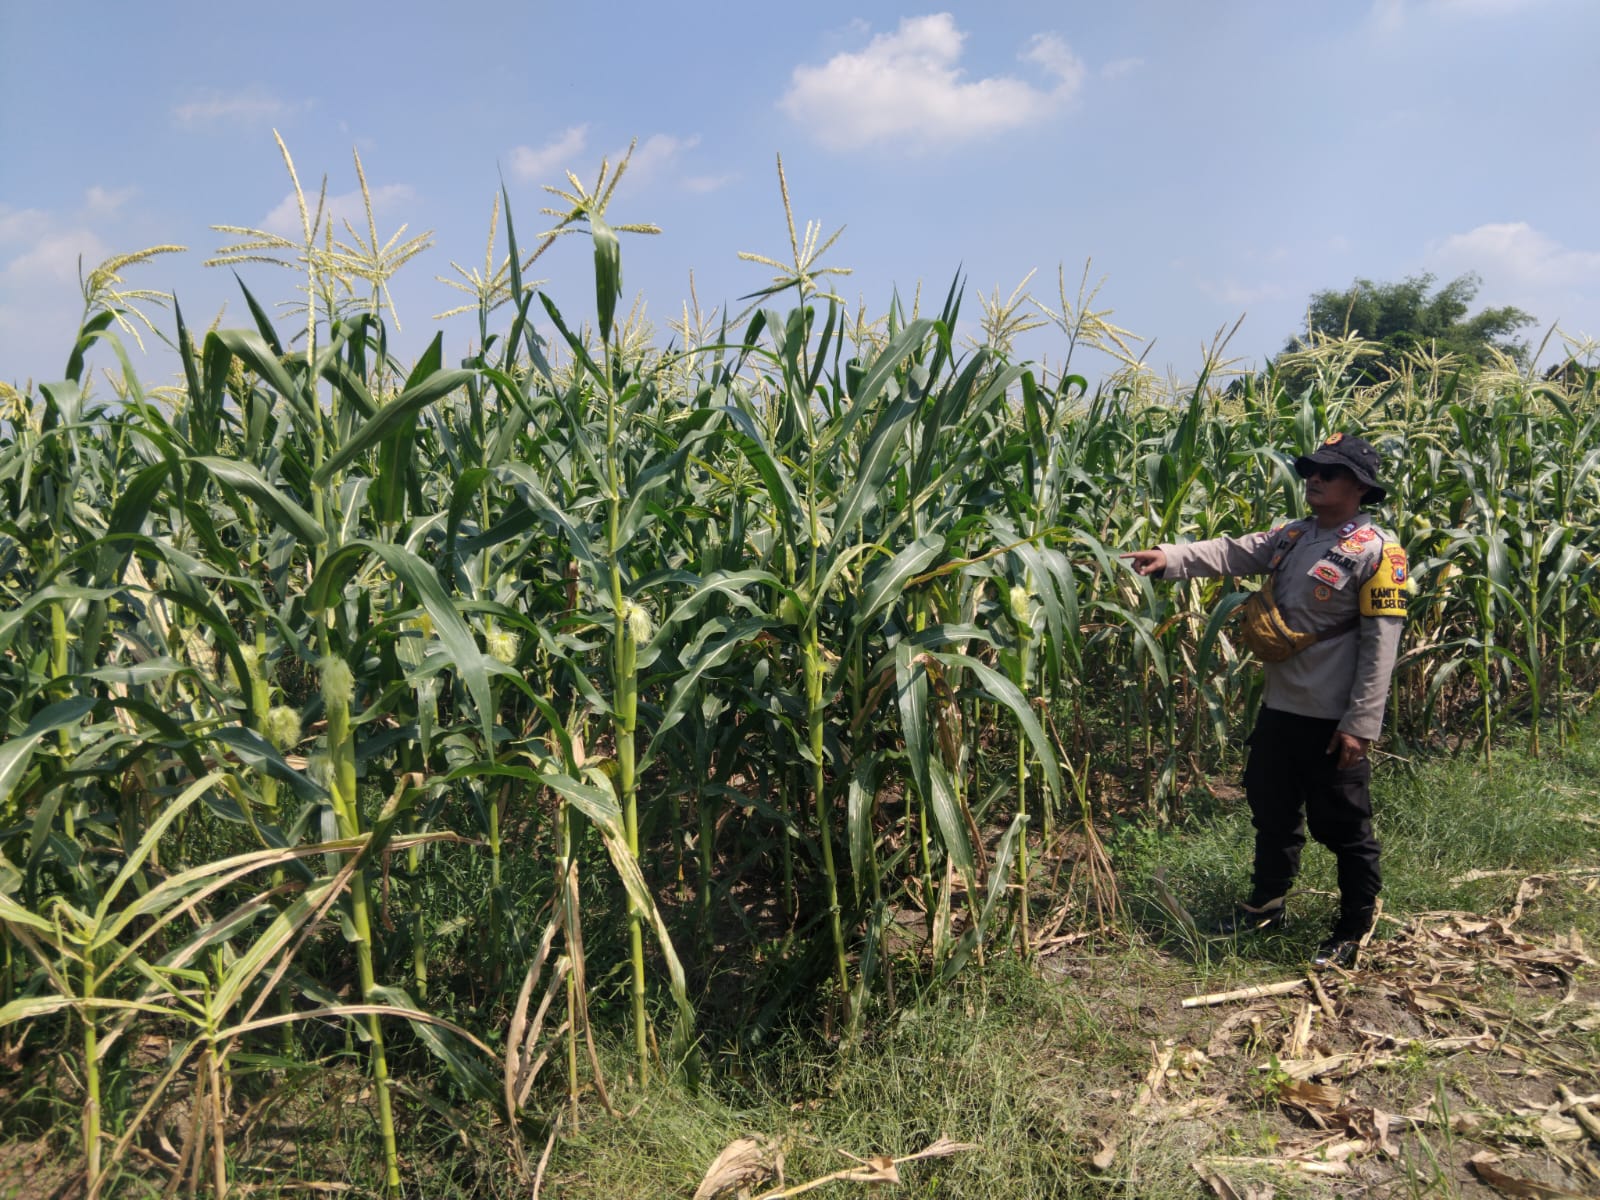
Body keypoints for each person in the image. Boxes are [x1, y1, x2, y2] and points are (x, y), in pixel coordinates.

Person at [1122, 433, 1408, 968]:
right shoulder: (1294, 536)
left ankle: (1354, 928)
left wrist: (1361, 723)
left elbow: (1381, 646)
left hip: (1332, 719)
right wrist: (1169, 556)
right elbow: (1233, 550)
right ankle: (1266, 907)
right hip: (1281, 710)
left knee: (1343, 827)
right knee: (1271, 811)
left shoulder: (1376, 552)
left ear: (1360, 487)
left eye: (1330, 472)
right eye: (1311, 468)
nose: (1315, 478)